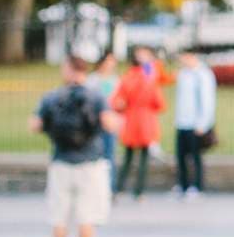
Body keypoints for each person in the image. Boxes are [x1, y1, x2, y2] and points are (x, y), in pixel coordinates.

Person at [30, 55, 120, 237]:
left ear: (68, 70)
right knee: (86, 216)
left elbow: (35, 125)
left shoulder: (52, 97)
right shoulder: (96, 96)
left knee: (59, 216)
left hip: (61, 162)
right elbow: (110, 124)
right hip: (89, 163)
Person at [112, 45, 165, 200]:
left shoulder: (133, 76)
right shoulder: (145, 77)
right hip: (142, 120)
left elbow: (118, 100)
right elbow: (159, 102)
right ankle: (133, 191)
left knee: (134, 157)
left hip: (136, 120)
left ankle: (122, 189)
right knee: (138, 157)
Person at [173, 49, 216, 200]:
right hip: (182, 121)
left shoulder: (202, 74)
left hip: (195, 123)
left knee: (195, 157)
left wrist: (203, 123)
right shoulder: (184, 74)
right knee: (181, 156)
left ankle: (197, 186)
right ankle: (183, 184)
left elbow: (207, 100)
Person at [88, 52, 121, 189]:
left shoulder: (116, 80)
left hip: (111, 124)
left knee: (109, 156)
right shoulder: (92, 80)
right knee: (94, 156)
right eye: (108, 61)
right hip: (96, 124)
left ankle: (109, 188)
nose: (110, 65)